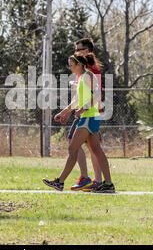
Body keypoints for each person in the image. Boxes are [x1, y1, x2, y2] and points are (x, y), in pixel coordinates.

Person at [42, 53, 115, 193]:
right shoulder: (81, 78)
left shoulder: (88, 76)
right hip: (89, 117)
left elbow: (99, 95)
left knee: (72, 148)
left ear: (79, 65)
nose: (70, 68)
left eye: (71, 65)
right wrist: (63, 113)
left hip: (89, 117)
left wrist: (83, 108)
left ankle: (60, 182)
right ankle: (109, 184)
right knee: (96, 150)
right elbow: (75, 101)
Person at [62, 38, 104, 191]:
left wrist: (82, 108)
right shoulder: (83, 68)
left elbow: (96, 92)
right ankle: (97, 181)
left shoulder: (90, 69)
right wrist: (68, 110)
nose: (76, 51)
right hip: (86, 111)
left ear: (87, 51)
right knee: (93, 147)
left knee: (83, 145)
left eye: (79, 49)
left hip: (89, 113)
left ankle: (90, 179)